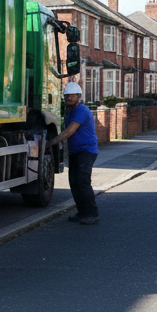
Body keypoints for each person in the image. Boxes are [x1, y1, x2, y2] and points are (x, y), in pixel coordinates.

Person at [47, 81, 99, 224]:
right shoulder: (69, 111)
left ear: (79, 96)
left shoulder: (81, 110)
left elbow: (69, 131)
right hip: (75, 151)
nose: (69, 98)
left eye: (72, 96)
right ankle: (82, 213)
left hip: (86, 151)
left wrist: (51, 143)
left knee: (83, 182)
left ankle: (92, 214)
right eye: (67, 96)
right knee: (74, 183)